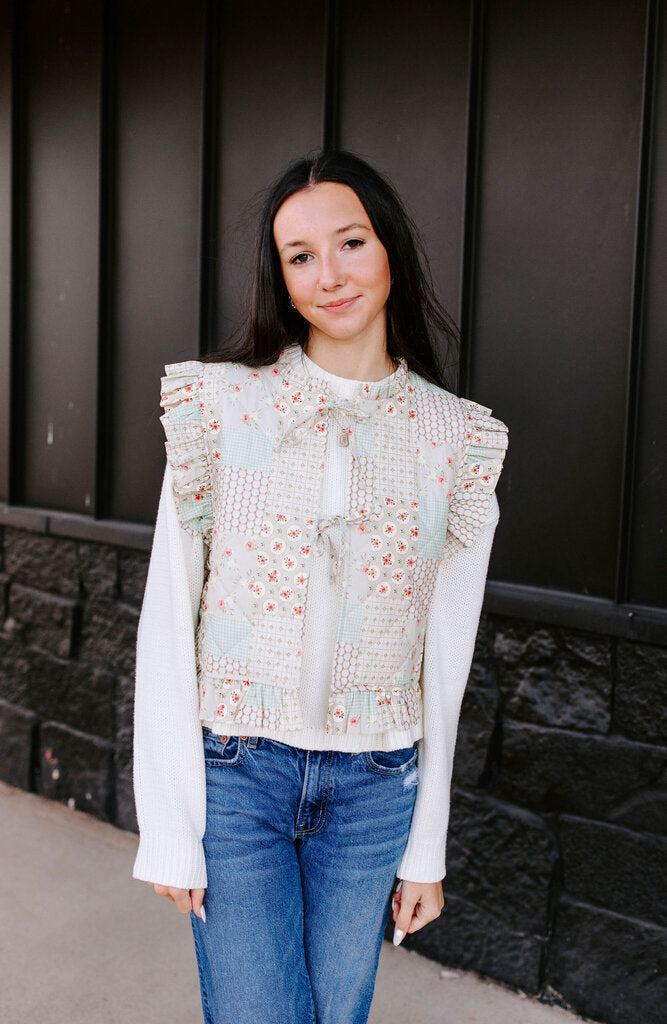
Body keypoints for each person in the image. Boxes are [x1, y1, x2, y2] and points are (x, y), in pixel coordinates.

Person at [132, 149, 509, 1024]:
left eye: (350, 243)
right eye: (300, 256)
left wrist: (426, 847)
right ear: (278, 276)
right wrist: (170, 825)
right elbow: (167, 612)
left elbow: (444, 656)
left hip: (377, 785)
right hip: (236, 775)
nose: (329, 275)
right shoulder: (219, 408)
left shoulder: (456, 441)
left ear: (389, 253)